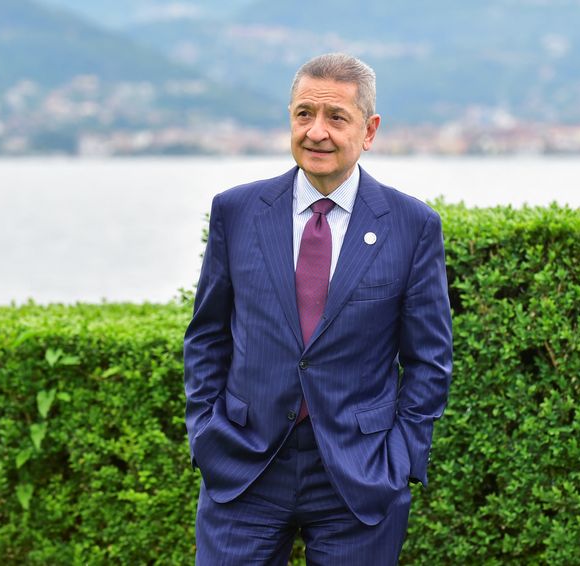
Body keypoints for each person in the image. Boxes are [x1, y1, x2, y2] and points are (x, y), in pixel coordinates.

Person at [183, 52, 452, 565]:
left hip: (359, 475)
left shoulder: (412, 226)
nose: (317, 132)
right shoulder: (236, 212)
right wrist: (206, 432)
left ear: (369, 130)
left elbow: (429, 360)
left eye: (336, 117)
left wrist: (400, 458)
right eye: (304, 114)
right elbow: (207, 335)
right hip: (244, 467)